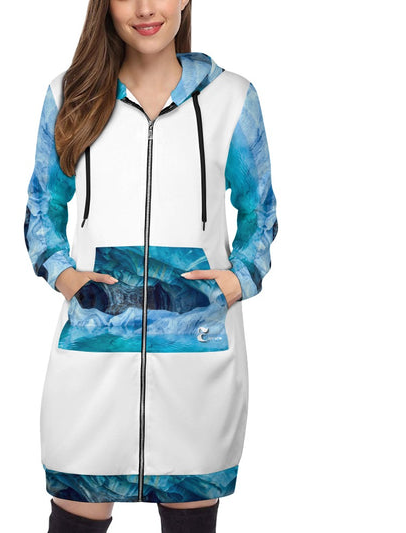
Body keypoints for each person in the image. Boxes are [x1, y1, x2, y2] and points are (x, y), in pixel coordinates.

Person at [23, 0, 278, 531]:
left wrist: (239, 279)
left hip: (196, 357)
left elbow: (261, 211)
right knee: (75, 515)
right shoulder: (70, 95)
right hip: (94, 351)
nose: (145, 8)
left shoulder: (232, 99)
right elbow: (42, 205)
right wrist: (64, 274)